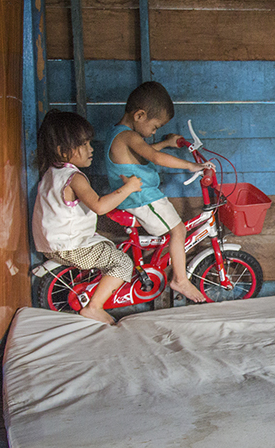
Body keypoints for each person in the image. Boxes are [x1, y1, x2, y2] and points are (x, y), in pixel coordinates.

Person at [32, 109, 143, 325]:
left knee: (107, 247)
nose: (90, 149)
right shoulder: (74, 178)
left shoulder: (51, 173)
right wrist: (129, 187)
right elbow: (100, 206)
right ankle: (94, 307)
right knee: (121, 262)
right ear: (63, 151)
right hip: (69, 246)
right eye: (83, 145)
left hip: (50, 244)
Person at [105, 82, 212, 303]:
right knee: (178, 230)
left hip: (139, 197)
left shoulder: (119, 135)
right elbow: (153, 157)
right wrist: (191, 167)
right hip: (143, 198)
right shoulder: (128, 136)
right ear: (140, 115)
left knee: (173, 232)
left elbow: (143, 153)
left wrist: (165, 143)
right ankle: (180, 279)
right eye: (155, 127)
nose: (154, 132)